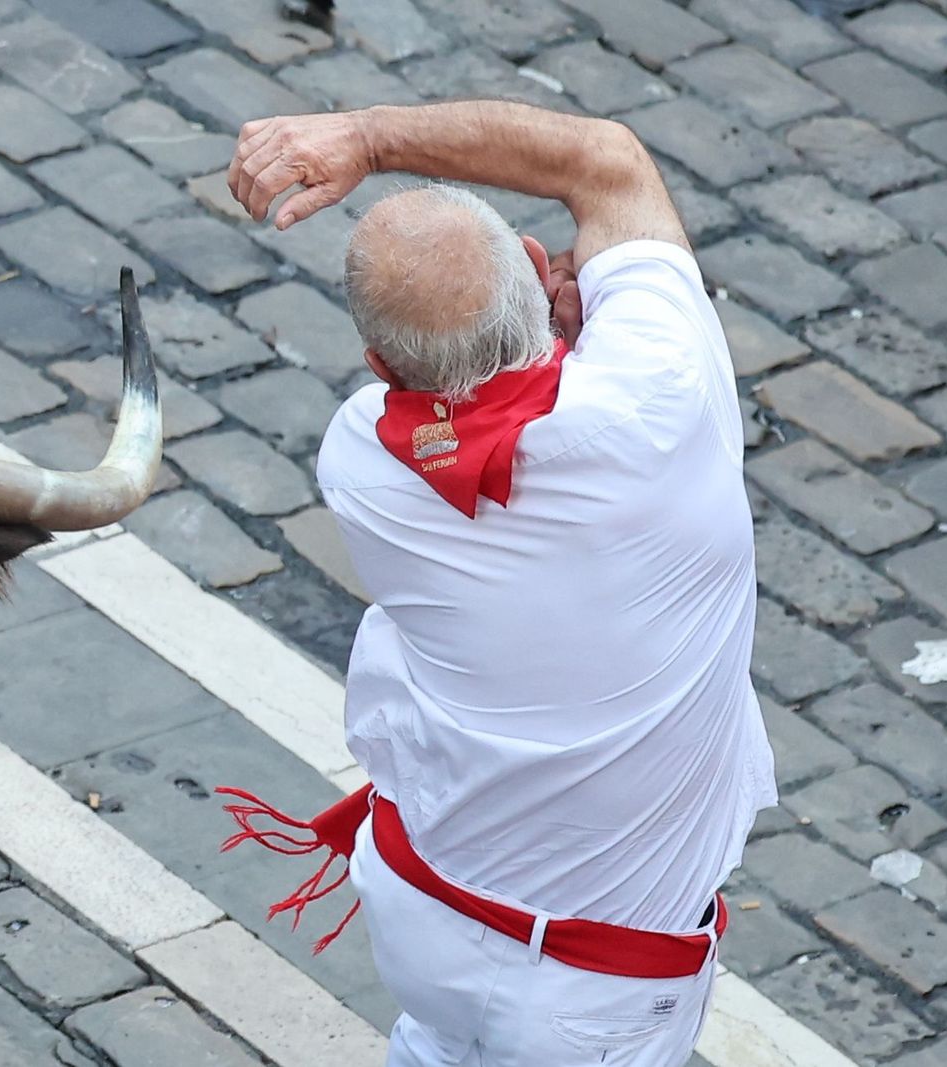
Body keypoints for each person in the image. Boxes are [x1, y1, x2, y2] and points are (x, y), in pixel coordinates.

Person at [219, 101, 776, 1067]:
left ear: (382, 364)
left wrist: (563, 351)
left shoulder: (364, 462)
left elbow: (469, 425)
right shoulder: (660, 394)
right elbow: (603, 162)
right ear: (535, 262)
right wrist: (369, 138)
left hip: (421, 911)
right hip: (595, 990)